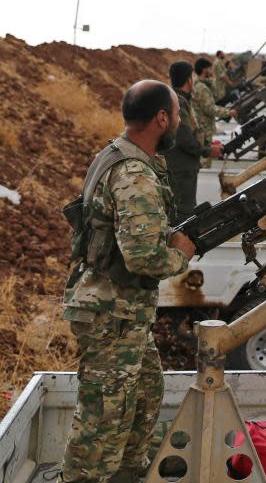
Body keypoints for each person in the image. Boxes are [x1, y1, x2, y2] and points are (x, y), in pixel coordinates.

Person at [60, 80, 197, 482]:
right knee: (105, 420)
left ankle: (128, 474)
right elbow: (142, 257)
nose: (178, 122)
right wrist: (182, 254)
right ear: (161, 118)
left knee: (144, 396)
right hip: (109, 315)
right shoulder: (134, 173)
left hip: (121, 313)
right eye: (175, 115)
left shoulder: (117, 155)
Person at [162, 61, 221, 223]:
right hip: (181, 170)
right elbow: (184, 138)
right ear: (189, 80)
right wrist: (208, 151)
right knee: (183, 213)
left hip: (180, 167)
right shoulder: (178, 103)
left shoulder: (176, 100)